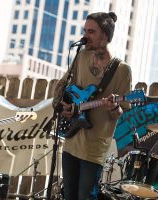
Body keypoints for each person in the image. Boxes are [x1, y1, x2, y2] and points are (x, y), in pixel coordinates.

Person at [53, 12, 132, 200]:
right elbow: (63, 86)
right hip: (72, 138)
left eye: (91, 31)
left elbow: (121, 111)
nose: (85, 35)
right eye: (84, 30)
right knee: (68, 195)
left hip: (95, 147)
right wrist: (62, 105)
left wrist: (114, 108)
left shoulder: (122, 70)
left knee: (86, 196)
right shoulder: (80, 57)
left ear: (104, 36)